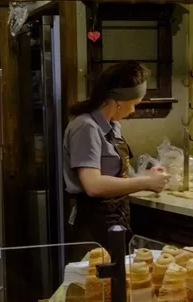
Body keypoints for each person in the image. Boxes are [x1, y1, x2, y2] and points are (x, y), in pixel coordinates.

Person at [63, 61, 169, 252]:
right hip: (93, 224)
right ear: (119, 101)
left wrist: (147, 177)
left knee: (121, 279)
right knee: (98, 280)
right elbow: (93, 185)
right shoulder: (86, 127)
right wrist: (145, 183)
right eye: (134, 104)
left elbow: (112, 178)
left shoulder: (112, 126)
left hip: (116, 217)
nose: (134, 111)